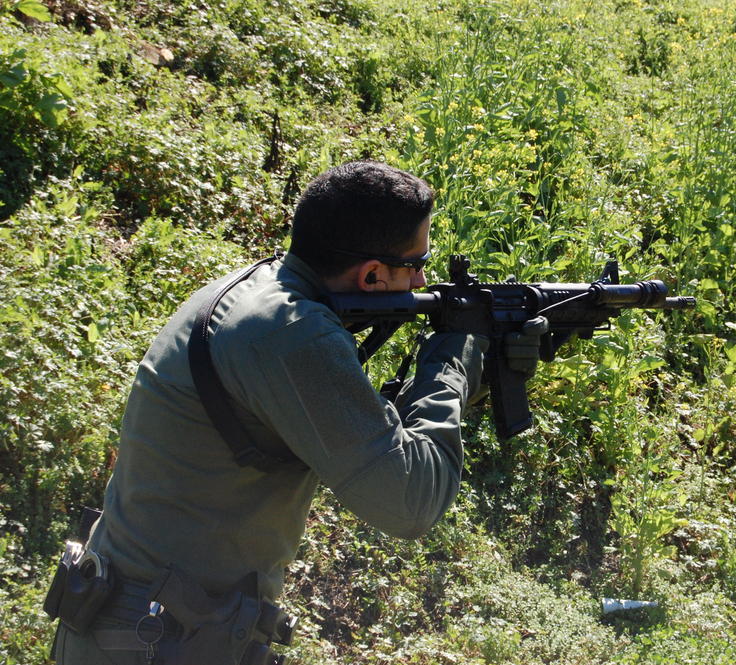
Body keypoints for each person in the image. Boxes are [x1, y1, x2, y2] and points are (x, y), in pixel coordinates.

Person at [46, 161, 538, 664]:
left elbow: (357, 435)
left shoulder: (256, 296)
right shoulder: (289, 334)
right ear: (371, 274)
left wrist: (485, 361)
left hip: (134, 623)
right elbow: (409, 502)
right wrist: (451, 368)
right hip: (157, 640)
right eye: (416, 263)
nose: (423, 280)